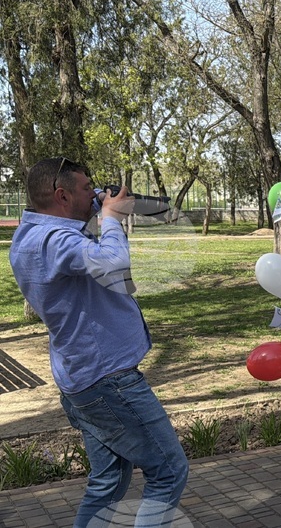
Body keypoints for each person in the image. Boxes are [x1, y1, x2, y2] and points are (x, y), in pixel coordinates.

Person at [9, 158, 188, 527]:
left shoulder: (32, 235)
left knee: (108, 483)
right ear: (62, 195)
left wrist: (100, 209)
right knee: (168, 471)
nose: (94, 193)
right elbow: (113, 262)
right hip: (109, 380)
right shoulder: (54, 240)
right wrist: (109, 217)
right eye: (87, 188)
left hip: (81, 377)